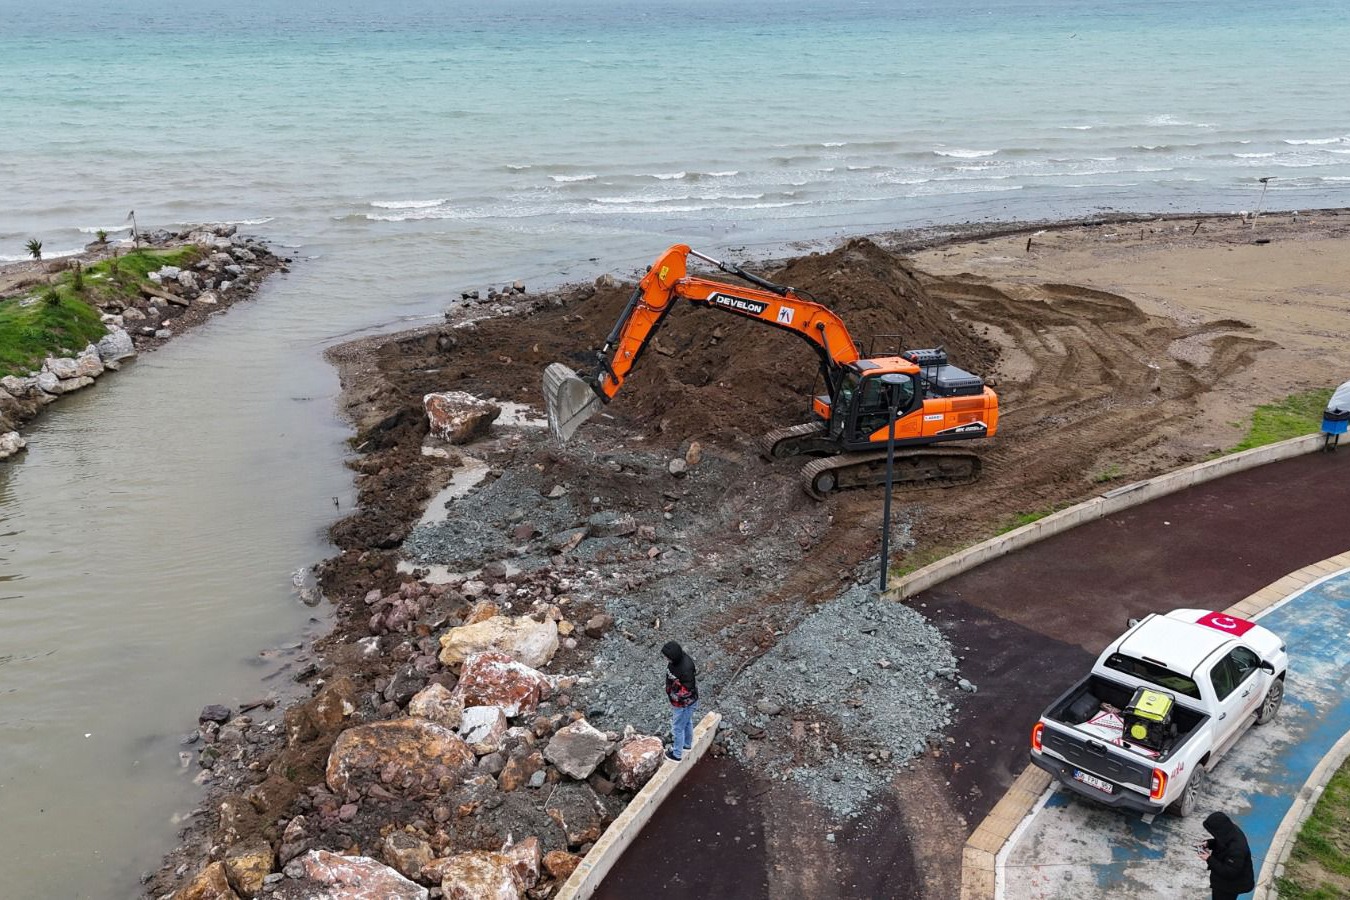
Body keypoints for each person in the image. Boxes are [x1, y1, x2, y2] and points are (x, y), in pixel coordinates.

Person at [1198, 811, 1255, 900]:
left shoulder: (1237, 850)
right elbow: (1222, 841)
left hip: (1231, 886)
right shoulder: (1231, 831)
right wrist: (1209, 843)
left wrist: (1209, 858)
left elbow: (1229, 872)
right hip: (1226, 882)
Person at [661, 641, 699, 762]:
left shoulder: (686, 667)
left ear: (673, 656)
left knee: (677, 728)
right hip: (679, 702)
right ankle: (687, 744)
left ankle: (677, 754)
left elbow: (688, 690)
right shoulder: (675, 662)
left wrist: (674, 695)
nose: (666, 659)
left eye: (667, 657)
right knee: (687, 722)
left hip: (684, 704)